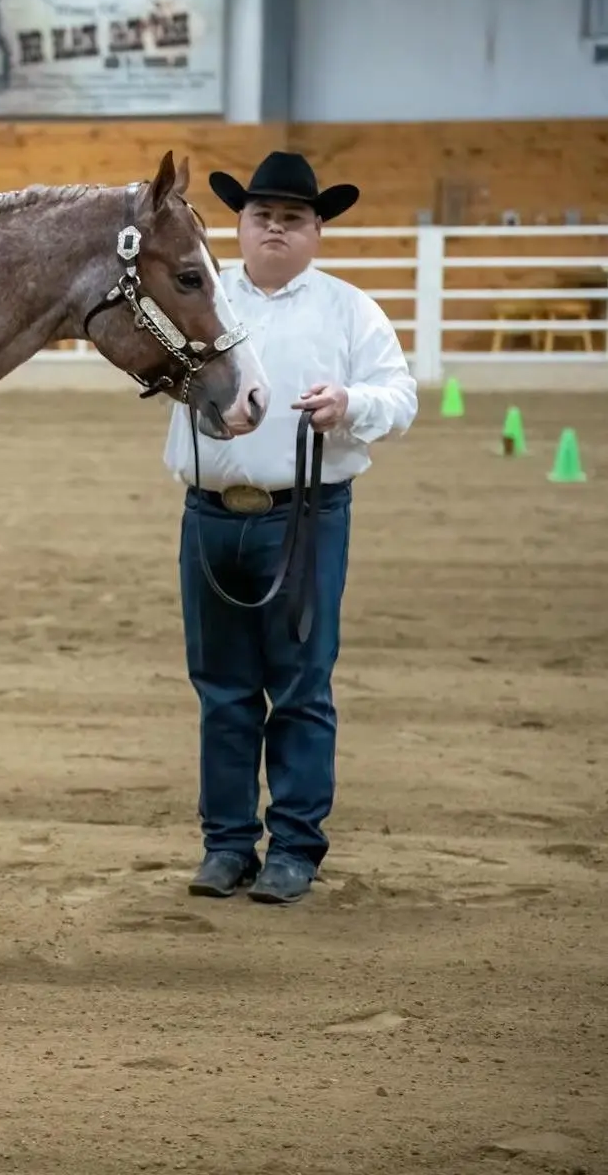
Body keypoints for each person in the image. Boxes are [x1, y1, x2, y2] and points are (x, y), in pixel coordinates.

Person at [166, 151, 418, 905]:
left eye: (291, 219)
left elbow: (399, 396)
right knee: (222, 690)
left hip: (304, 518)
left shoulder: (348, 309)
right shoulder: (199, 302)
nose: (274, 229)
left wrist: (351, 404)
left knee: (301, 687)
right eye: (259, 217)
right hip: (209, 514)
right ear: (237, 228)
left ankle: (295, 848)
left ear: (315, 231)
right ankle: (227, 844)